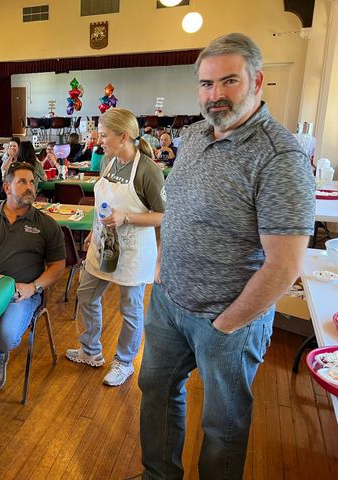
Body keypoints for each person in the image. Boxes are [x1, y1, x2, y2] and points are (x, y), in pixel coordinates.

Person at [138, 33, 315, 480]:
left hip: (229, 320)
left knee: (223, 425)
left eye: (228, 81)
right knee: (156, 392)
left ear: (257, 83)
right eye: (205, 84)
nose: (214, 95)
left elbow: (285, 265)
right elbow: (177, 207)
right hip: (169, 304)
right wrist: (160, 272)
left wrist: (228, 323)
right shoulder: (195, 135)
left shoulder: (280, 157)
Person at [65, 108, 165, 387]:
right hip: (102, 243)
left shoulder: (147, 170)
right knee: (86, 294)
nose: (99, 139)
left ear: (123, 137)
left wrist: (126, 217)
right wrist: (92, 232)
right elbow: (103, 203)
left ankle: (124, 362)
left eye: (104, 134)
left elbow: (164, 215)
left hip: (133, 250)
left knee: (130, 308)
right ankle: (91, 350)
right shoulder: (109, 161)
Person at [0, 162, 66, 392]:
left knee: (5, 337)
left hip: (23, 294)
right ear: (7, 187)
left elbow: (58, 267)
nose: (30, 187)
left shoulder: (47, 225)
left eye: (32, 182)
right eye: (22, 182)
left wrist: (34, 287)